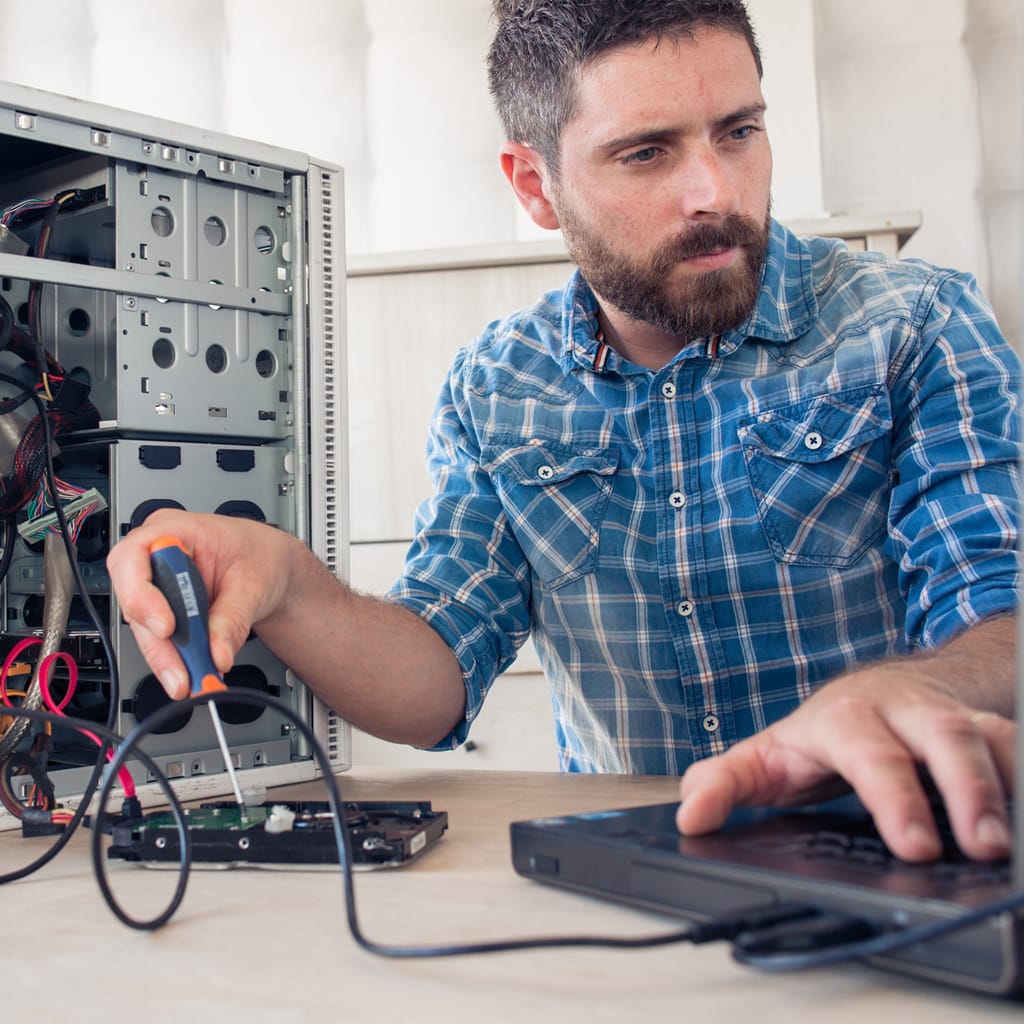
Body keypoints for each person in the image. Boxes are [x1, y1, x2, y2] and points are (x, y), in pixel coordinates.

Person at [107, 0, 1019, 865]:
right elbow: (436, 681)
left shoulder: (915, 323)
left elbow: (1001, 605)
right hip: (628, 876)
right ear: (536, 185)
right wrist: (293, 585)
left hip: (900, 849)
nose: (715, 190)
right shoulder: (496, 385)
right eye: (646, 153)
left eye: (739, 132)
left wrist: (914, 691)